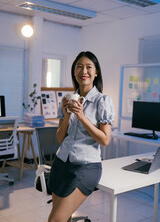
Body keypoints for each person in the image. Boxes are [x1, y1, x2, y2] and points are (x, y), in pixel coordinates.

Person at [48, 51, 115, 222]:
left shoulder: (103, 101)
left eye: (88, 67)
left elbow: (105, 140)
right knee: (63, 218)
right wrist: (68, 115)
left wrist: (82, 116)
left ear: (96, 72)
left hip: (86, 167)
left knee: (56, 220)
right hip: (61, 164)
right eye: (79, 67)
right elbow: (60, 139)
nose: (83, 71)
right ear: (74, 72)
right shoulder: (67, 99)